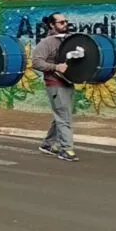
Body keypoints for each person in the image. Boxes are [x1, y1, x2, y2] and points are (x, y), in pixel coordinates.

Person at [32, 12, 77, 162]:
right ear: (52, 25)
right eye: (61, 22)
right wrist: (55, 67)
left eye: (66, 22)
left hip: (68, 82)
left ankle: (48, 144)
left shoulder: (69, 40)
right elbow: (36, 62)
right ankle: (66, 150)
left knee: (62, 114)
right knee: (64, 116)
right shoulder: (47, 43)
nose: (65, 25)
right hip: (55, 84)